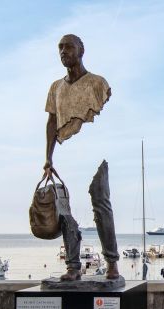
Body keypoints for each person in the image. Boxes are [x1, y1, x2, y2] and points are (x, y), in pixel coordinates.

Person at [43, 34, 119, 282]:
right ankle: (73, 265)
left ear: (81, 50)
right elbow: (51, 122)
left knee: (102, 206)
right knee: (65, 211)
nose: (63, 51)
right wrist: (48, 158)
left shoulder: (98, 82)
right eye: (60, 48)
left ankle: (112, 262)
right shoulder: (55, 87)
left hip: (96, 153)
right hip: (66, 153)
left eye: (68, 47)